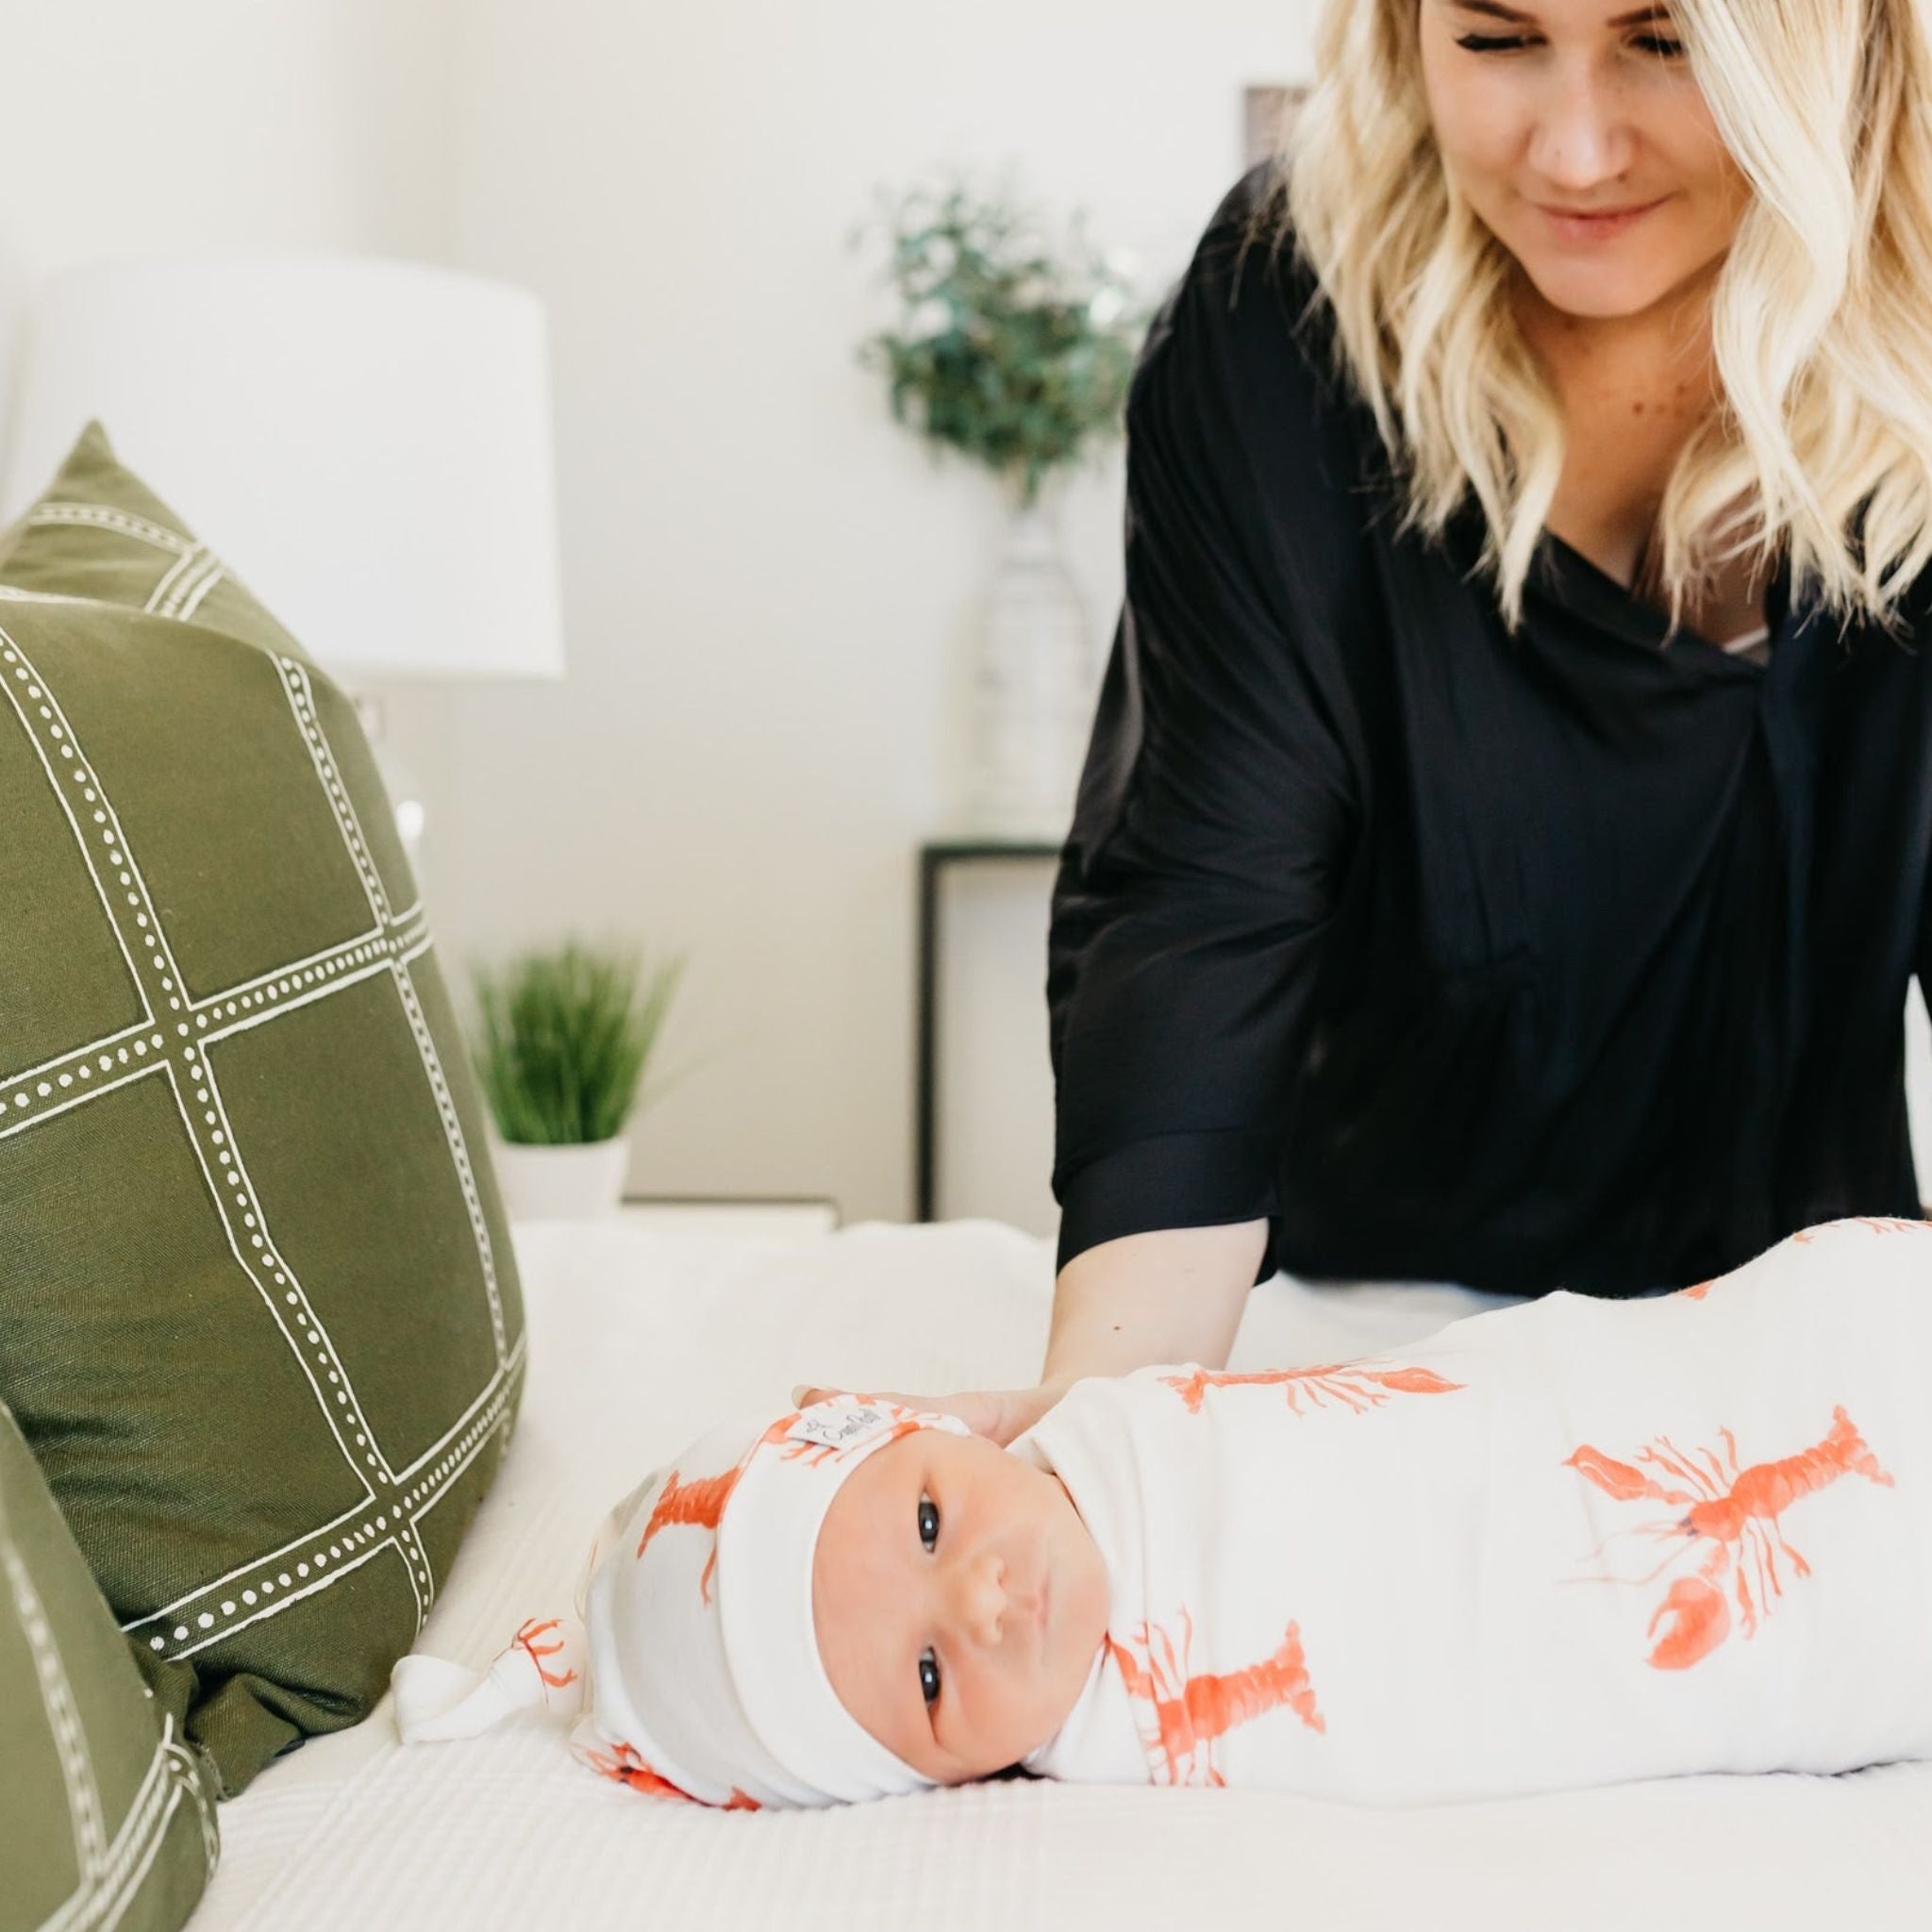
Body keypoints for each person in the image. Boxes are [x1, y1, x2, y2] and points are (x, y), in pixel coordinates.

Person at [804, 0, 1932, 1449]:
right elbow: (1204, 902)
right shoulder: (1280, 311)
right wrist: (1107, 1433)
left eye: (1665, 43)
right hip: (1355, 1315)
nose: (1575, 151)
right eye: (1496, 40)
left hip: (1797, 1334)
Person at [393, 1216, 1932, 1806]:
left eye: (926, 1521)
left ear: (931, 1432)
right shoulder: (1109, 1743)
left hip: (1686, 1384)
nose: (986, 1598)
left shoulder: (1101, 1437)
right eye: (926, 1679)